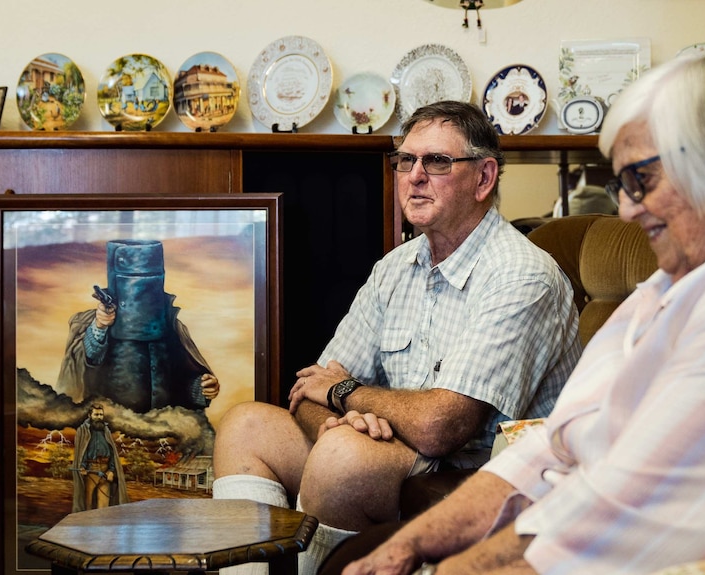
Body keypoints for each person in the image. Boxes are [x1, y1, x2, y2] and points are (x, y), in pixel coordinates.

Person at [341, 49, 705, 575]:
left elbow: (637, 526)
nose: (628, 210)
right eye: (622, 185)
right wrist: (409, 547)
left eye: (643, 180)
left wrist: (454, 571)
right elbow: (552, 447)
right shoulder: (668, 287)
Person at [211, 100, 582, 575]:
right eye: (406, 160)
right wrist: (337, 422)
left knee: (342, 460)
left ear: (484, 178)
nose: (415, 176)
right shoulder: (395, 267)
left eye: (438, 162)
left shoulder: (521, 276)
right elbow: (309, 391)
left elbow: (440, 427)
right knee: (245, 425)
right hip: (398, 455)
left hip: (487, 474)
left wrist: (346, 397)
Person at [57, 239, 220, 413]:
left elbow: (181, 381)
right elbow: (89, 360)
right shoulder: (100, 325)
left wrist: (201, 388)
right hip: (114, 429)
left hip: (163, 429)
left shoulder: (172, 329)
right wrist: (100, 326)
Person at [72, 403, 129, 512]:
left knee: (103, 508)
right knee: (87, 505)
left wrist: (111, 470)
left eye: (101, 415)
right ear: (90, 415)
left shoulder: (106, 431)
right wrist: (82, 466)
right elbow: (82, 451)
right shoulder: (83, 431)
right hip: (91, 470)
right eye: (96, 414)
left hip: (105, 471)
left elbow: (112, 452)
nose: (99, 417)